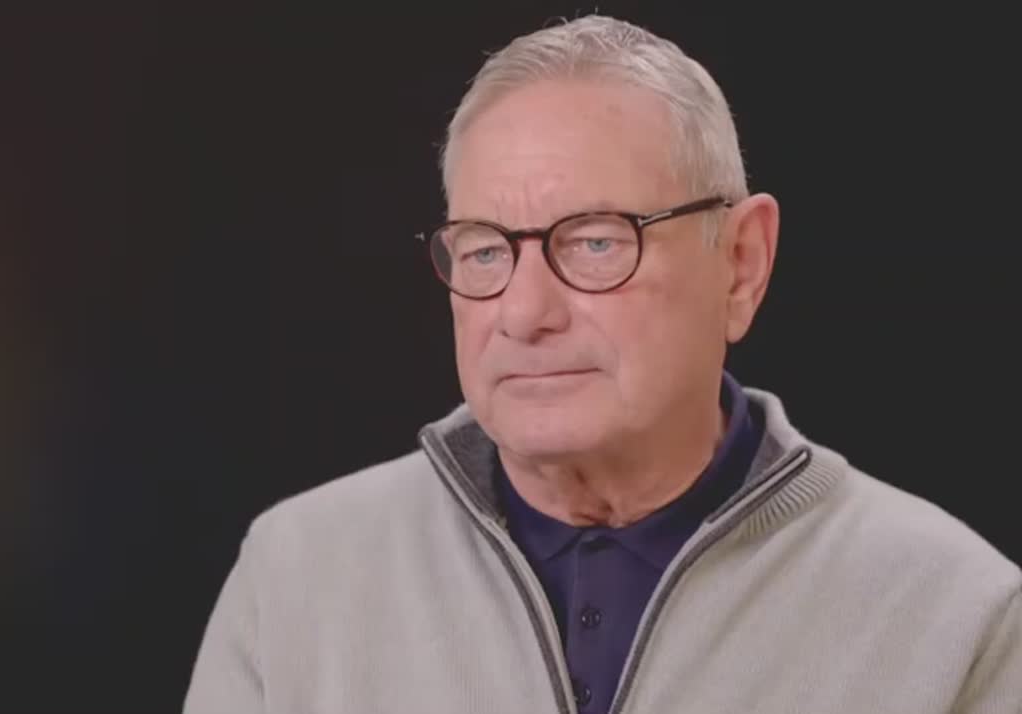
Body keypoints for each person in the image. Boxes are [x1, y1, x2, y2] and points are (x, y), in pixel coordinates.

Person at [183, 13, 1020, 714]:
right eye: (484, 251)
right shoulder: (295, 576)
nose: (524, 313)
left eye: (594, 242)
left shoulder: (956, 616)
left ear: (740, 264)